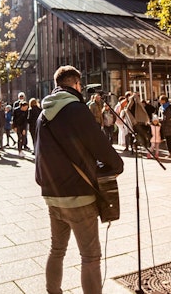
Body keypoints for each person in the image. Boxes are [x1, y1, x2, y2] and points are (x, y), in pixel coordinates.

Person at [35, 65, 124, 294]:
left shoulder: (43, 113)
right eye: (80, 85)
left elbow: (39, 153)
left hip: (52, 195)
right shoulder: (76, 109)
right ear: (75, 84)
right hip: (79, 196)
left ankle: (53, 291)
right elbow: (99, 144)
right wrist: (116, 165)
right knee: (90, 256)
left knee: (57, 249)